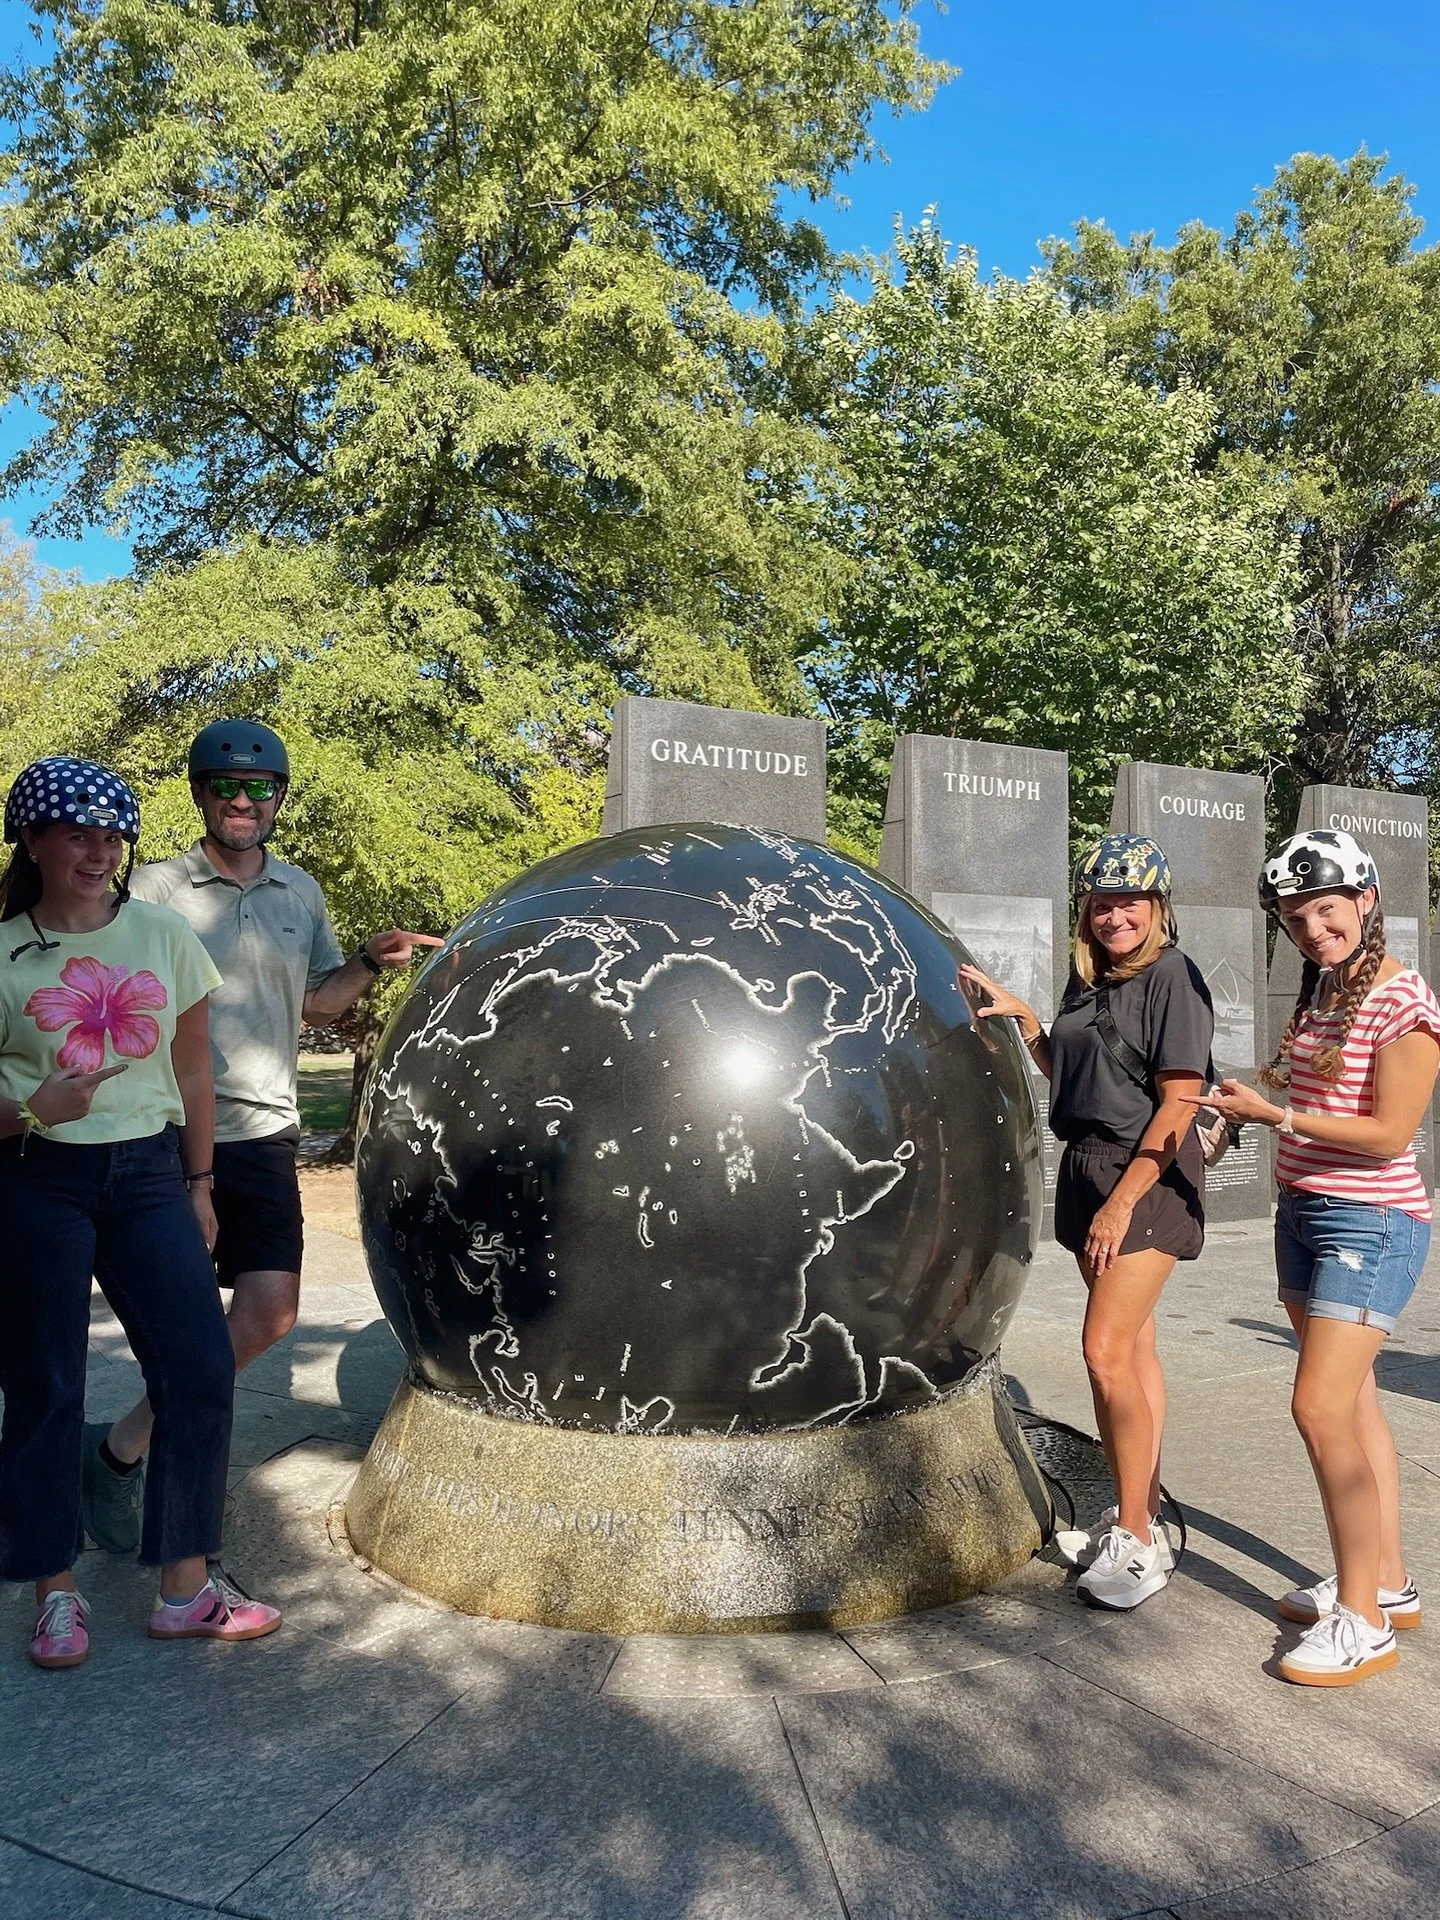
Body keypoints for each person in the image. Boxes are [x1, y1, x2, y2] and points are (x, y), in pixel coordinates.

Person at [81, 720, 442, 1553]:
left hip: (267, 1130)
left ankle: (118, 1446)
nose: (244, 802)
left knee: (271, 1314)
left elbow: (318, 1003)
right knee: (175, 1320)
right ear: (202, 795)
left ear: (279, 797)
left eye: (261, 789)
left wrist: (365, 960)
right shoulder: (157, 890)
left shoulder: (300, 892)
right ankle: (154, 1499)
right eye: (226, 788)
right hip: (167, 1129)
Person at [0, 756, 282, 1668]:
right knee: (46, 1387)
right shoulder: (3, 952)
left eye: (112, 834)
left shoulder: (161, 933)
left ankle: (184, 1588)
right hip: (36, 1175)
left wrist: (200, 1184)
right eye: (76, 834)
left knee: (200, 1368)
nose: (98, 851)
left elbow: (193, 1066)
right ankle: (55, 1590)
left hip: (151, 1178)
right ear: (33, 841)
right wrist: (39, 1105)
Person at [1194, 829, 1440, 1687]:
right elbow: (1303, 1093)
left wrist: (1278, 1118)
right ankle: (1387, 1580)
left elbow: (1388, 1135)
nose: (1311, 928)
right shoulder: (1327, 994)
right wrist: (1237, 1112)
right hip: (1304, 1215)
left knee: (1321, 1408)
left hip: (1370, 1223)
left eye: (1324, 910)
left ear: (1365, 900)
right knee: (1358, 1408)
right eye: (1296, 918)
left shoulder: (1405, 999)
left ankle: (1364, 1621)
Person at [959, 833, 1212, 1610]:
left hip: (1146, 1179)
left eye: (1130, 901)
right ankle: (1136, 1513)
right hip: (1089, 1170)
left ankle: (1137, 1539)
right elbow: (1076, 1075)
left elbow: (1179, 1100)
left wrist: (1123, 1199)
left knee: (1104, 1355)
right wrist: (1029, 1022)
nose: (1115, 915)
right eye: (1102, 902)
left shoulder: (1174, 977)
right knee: (1133, 1353)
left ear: (1158, 907)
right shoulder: (1090, 978)